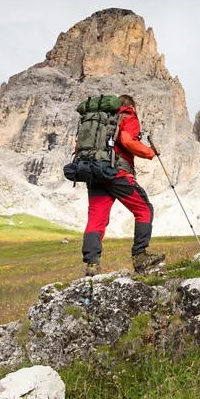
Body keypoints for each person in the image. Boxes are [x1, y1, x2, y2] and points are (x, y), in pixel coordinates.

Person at [82, 94, 165, 275]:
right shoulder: (127, 116)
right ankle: (140, 256)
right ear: (132, 107)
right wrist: (150, 152)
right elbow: (127, 141)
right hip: (117, 174)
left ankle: (92, 265)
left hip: (94, 174)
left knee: (96, 219)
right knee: (144, 209)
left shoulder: (98, 122)